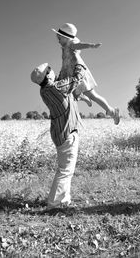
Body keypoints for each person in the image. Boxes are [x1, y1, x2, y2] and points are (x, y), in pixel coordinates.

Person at [30, 62, 85, 211]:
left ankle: (64, 200)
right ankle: (54, 203)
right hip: (66, 133)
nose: (52, 70)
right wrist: (79, 65)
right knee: (65, 170)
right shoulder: (56, 87)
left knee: (66, 169)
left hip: (60, 132)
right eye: (50, 70)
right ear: (48, 76)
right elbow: (76, 78)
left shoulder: (45, 90)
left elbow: (64, 82)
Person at [52, 23, 120, 125]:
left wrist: (91, 45)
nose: (58, 40)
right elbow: (65, 64)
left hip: (78, 74)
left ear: (67, 38)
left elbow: (80, 45)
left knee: (93, 95)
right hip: (68, 74)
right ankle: (82, 97)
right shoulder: (64, 48)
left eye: (60, 37)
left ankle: (112, 111)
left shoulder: (71, 45)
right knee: (64, 93)